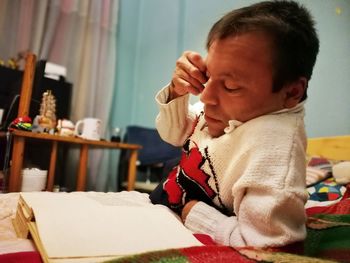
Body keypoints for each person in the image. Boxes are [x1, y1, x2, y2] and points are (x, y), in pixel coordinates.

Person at [149, 0, 319, 248]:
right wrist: (177, 91)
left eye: (230, 86)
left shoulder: (275, 148)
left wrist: (196, 215)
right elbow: (173, 134)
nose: (205, 96)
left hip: (185, 212)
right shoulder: (235, 112)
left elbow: (272, 247)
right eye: (208, 77)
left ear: (291, 92)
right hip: (166, 198)